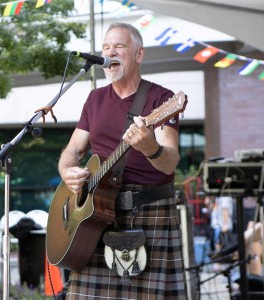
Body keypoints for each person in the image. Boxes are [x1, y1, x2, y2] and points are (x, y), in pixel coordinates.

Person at [57, 22, 187, 299]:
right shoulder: (94, 99)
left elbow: (170, 161)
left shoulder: (161, 100)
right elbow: (71, 152)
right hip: (96, 214)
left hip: (149, 212)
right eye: (105, 47)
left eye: (119, 46)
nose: (110, 52)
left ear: (139, 55)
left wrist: (150, 147)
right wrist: (68, 171)